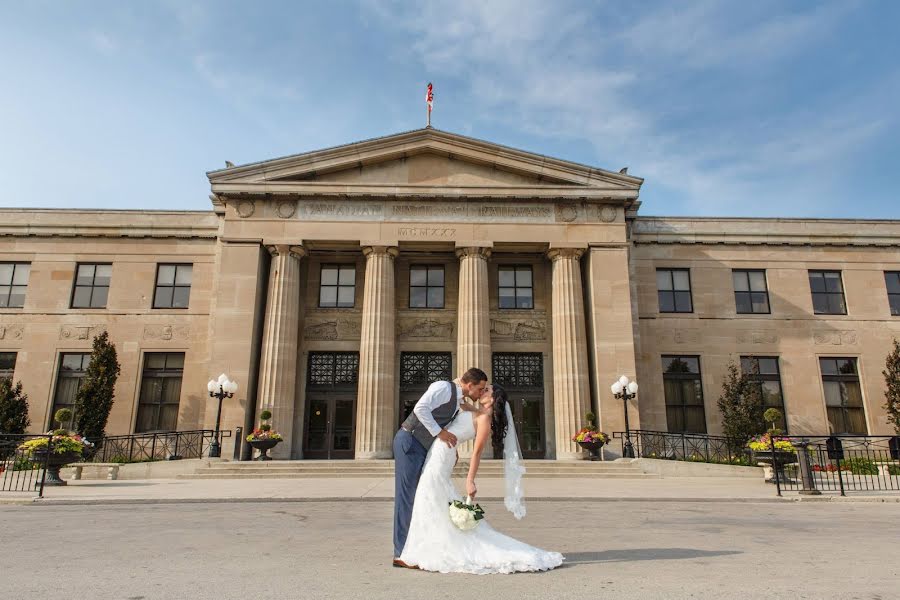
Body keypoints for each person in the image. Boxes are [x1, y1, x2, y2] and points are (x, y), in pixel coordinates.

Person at [399, 384, 564, 574]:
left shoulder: (484, 418)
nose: (483, 390)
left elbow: (477, 452)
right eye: (483, 388)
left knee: (428, 493)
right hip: (442, 450)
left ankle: (423, 550)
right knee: (431, 495)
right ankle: (423, 548)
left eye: (487, 390)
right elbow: (459, 396)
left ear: (493, 399)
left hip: (443, 453)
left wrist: (470, 480)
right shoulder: (476, 411)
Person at [392, 367, 488, 567]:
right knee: (407, 497)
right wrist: (440, 433)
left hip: (421, 446)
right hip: (409, 441)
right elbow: (420, 408)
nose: (480, 393)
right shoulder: (443, 387)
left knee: (418, 496)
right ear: (469, 385)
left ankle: (413, 549)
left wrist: (482, 411)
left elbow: (463, 407)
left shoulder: (458, 397)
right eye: (480, 389)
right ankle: (400, 553)